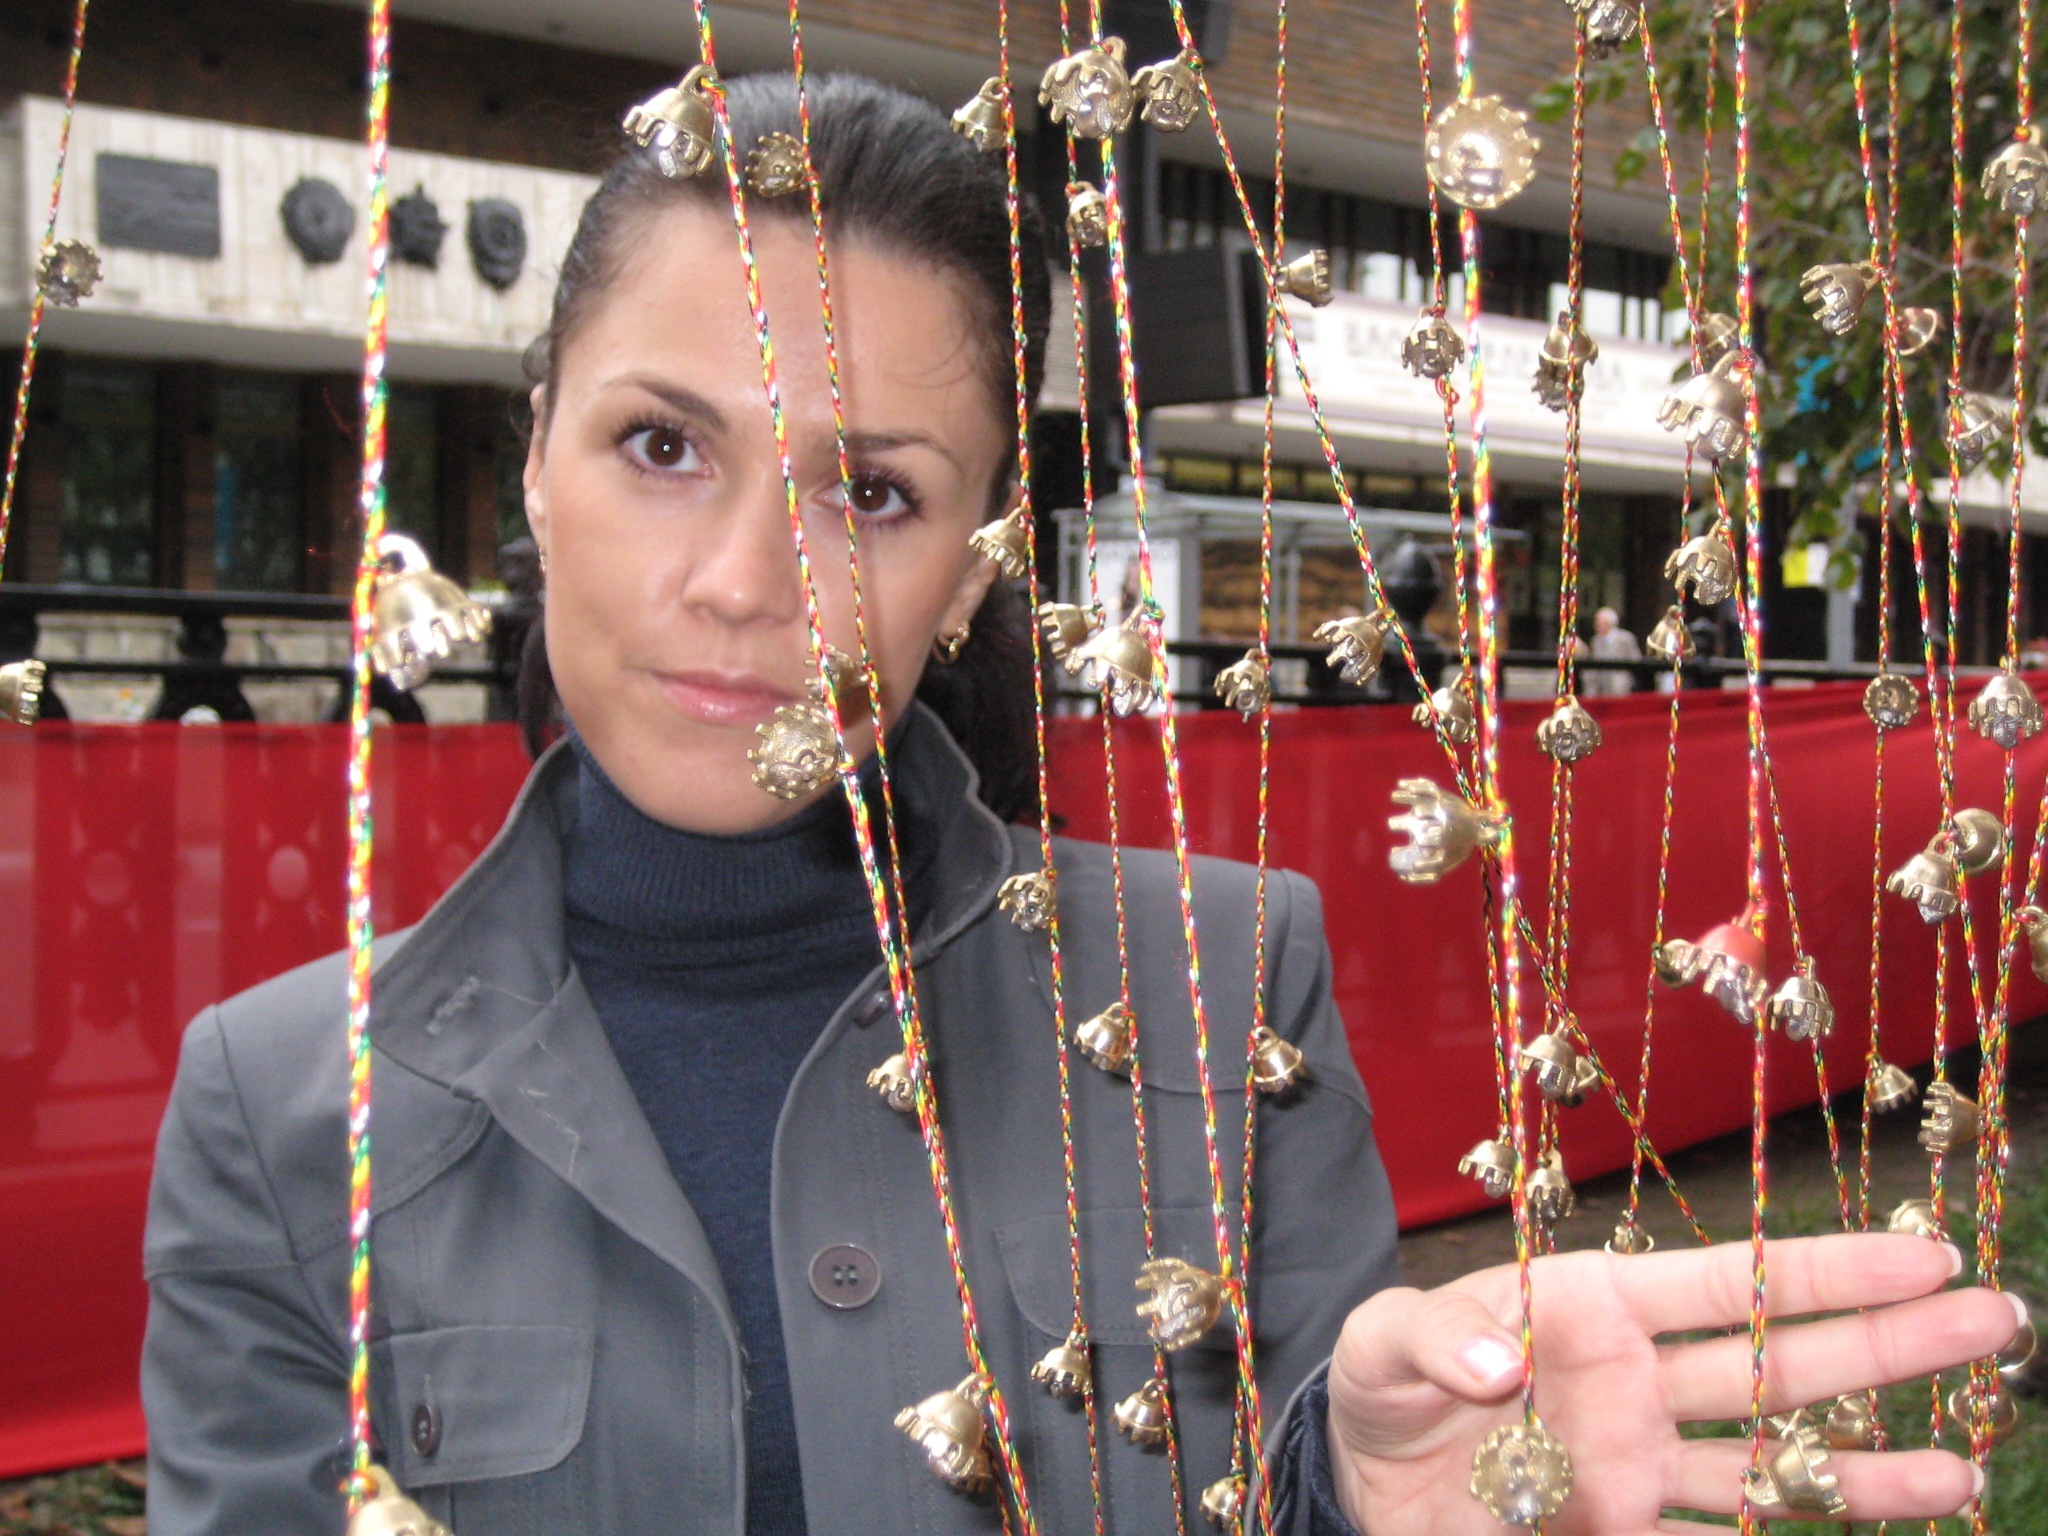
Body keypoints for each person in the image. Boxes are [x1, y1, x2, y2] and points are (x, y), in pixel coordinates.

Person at [141, 72, 2019, 1536]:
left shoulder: (1221, 975)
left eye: (871, 494)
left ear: (974, 567)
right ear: (534, 461)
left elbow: (1294, 1450)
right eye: (660, 445)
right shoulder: (282, 1109)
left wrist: (1356, 1491)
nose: (739, 584)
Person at [1585, 606, 1641, 696]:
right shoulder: (1595, 641)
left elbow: (1636, 659)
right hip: (1601, 684)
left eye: (1601, 623)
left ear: (1610, 623)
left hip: (1620, 684)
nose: (1597, 625)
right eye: (1597, 623)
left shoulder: (1626, 638)